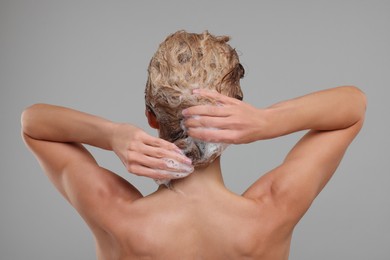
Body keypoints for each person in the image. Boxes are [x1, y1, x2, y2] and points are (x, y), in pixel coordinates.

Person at [21, 31, 366, 259]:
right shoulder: (271, 212)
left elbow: (33, 124)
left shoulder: (116, 215)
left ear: (151, 115)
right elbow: (354, 107)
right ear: (235, 114)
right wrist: (266, 122)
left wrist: (111, 135)